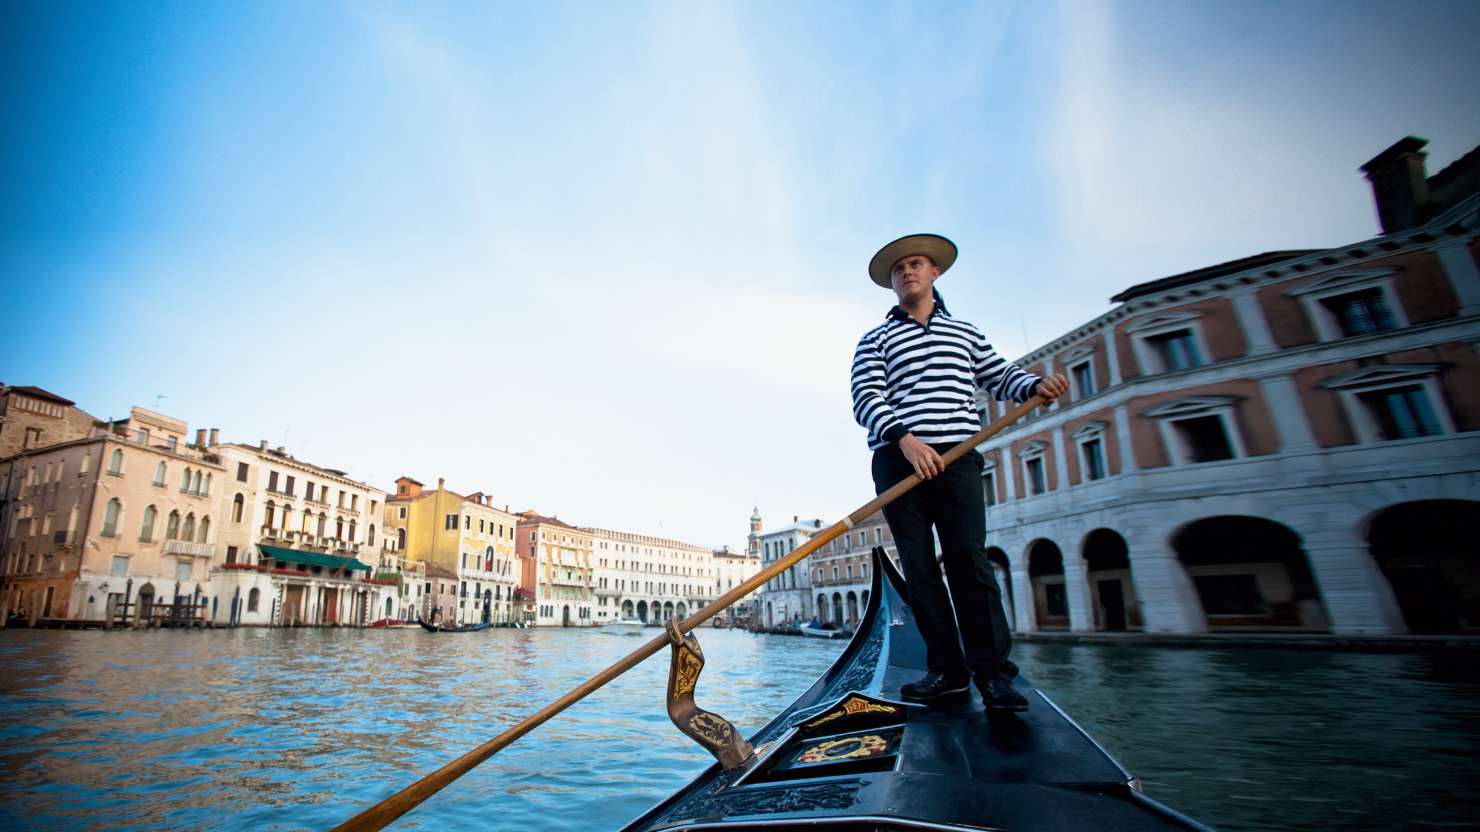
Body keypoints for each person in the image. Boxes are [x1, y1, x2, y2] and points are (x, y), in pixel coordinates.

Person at [850, 233, 1068, 713]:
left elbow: (1002, 376)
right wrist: (907, 441)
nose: (907, 271)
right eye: (898, 269)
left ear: (934, 273)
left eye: (916, 264)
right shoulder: (875, 339)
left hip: (957, 455)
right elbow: (866, 399)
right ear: (891, 283)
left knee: (969, 562)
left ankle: (992, 675)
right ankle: (947, 672)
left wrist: (1038, 384)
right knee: (921, 570)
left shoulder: (965, 333)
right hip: (897, 456)